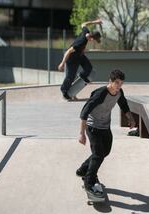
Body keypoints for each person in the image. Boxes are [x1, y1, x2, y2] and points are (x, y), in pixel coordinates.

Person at [76, 69, 136, 198]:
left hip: (105, 127)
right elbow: (84, 112)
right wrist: (82, 133)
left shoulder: (119, 92)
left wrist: (130, 118)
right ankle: (89, 181)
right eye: (117, 83)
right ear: (110, 81)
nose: (119, 86)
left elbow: (123, 105)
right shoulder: (100, 94)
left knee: (105, 152)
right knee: (98, 154)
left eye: (121, 84)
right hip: (92, 127)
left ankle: (83, 169)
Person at [58, 19, 103, 100]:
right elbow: (68, 52)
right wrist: (62, 63)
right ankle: (64, 90)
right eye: (94, 40)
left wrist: (95, 22)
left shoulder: (86, 31)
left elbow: (84, 24)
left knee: (88, 68)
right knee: (70, 77)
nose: (92, 42)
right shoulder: (80, 42)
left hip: (80, 56)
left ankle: (81, 77)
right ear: (91, 38)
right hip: (72, 59)